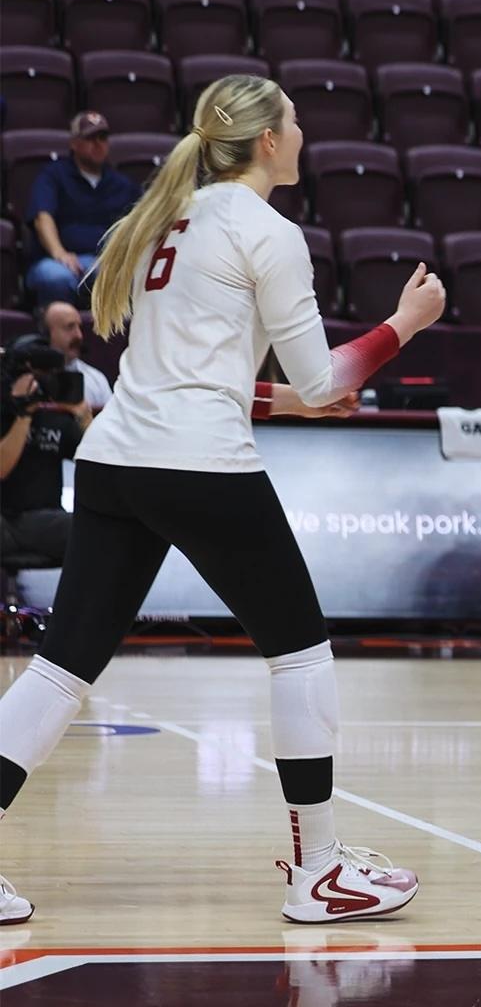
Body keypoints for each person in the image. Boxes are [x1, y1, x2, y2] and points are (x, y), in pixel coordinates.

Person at [0, 74, 448, 927]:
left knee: (62, 669)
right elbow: (318, 382)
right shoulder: (269, 230)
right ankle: (318, 872)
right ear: (268, 141)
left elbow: (215, 380)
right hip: (197, 465)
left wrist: (298, 395)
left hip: (115, 461)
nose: (305, 131)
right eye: (296, 119)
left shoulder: (167, 215)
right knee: (302, 653)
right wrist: (405, 323)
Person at [25, 112, 140, 308]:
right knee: (53, 277)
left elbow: (139, 223)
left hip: (105, 262)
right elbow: (42, 217)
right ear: (74, 143)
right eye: (89, 138)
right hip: (60, 261)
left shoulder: (121, 184)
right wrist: (59, 253)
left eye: (102, 138)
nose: (97, 144)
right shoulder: (54, 175)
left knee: (134, 276)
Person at [0, 341, 90, 565]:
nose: (39, 383)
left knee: (93, 531)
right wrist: (23, 412)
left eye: (47, 375)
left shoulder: (57, 417)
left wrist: (84, 419)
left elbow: (95, 461)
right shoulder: (3, 411)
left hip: (48, 521)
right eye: (34, 375)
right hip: (4, 517)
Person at [30, 301, 112, 411]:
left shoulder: (97, 379)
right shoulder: (28, 381)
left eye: (79, 327)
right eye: (69, 327)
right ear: (46, 335)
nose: (79, 335)